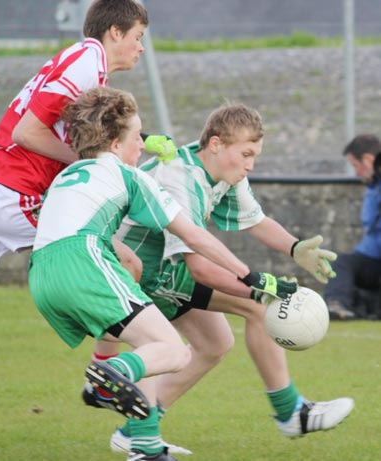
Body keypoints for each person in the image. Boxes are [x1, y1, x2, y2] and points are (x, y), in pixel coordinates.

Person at [28, 86, 297, 461]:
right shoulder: (134, 178)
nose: (144, 142)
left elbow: (46, 219)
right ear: (114, 140)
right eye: (137, 135)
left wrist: (119, 255)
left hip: (41, 274)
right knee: (171, 350)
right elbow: (195, 238)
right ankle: (111, 376)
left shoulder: (69, 173)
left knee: (145, 336)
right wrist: (250, 276)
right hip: (83, 263)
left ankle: (146, 447)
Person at [84, 102, 354, 455]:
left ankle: (137, 430)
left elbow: (255, 220)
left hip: (164, 269)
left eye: (254, 155)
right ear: (215, 144)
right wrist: (259, 285)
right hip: (133, 271)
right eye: (245, 154)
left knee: (215, 342)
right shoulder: (180, 177)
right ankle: (145, 436)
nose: (250, 164)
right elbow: (199, 266)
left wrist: (295, 247)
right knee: (169, 338)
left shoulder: (222, 173)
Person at [0, 0, 175, 299]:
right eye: (137, 37)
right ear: (115, 32)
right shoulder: (85, 66)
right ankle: (151, 345)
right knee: (125, 264)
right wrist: (93, 163)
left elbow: (72, 128)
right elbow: (27, 132)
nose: (141, 48)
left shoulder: (84, 59)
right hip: (13, 194)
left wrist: (141, 138)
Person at [324, 134, 381, 320]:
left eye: (356, 166)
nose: (356, 173)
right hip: (373, 260)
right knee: (342, 264)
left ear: (368, 159)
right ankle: (337, 305)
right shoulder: (373, 187)